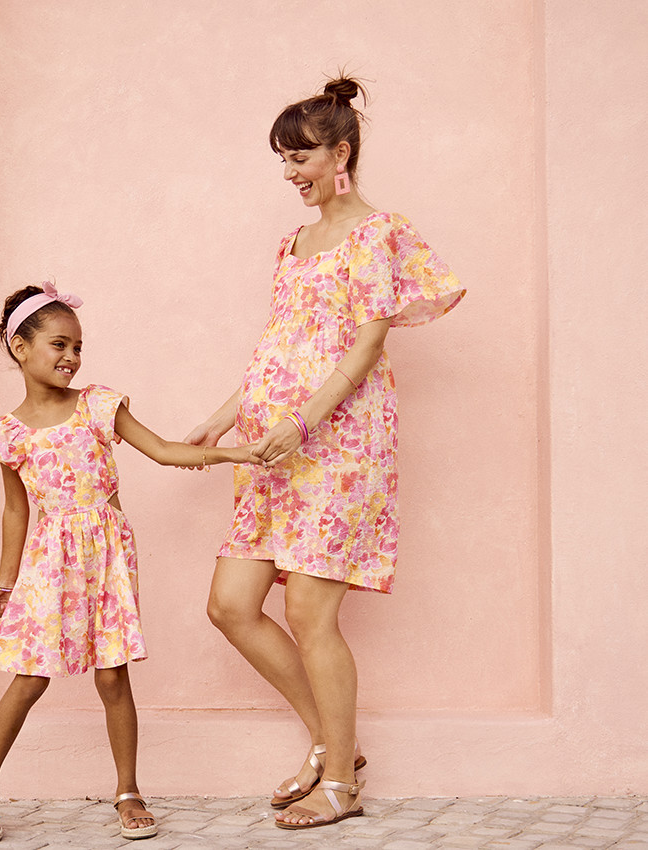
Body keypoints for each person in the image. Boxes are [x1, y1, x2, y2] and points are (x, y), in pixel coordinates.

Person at [185, 76, 465, 830]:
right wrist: (220, 421)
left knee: (310, 610)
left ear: (340, 154)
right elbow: (282, 348)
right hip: (273, 447)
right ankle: (336, 744)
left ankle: (339, 780)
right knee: (231, 604)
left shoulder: (377, 234)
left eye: (300, 157)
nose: (289, 173)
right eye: (282, 160)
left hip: (339, 443)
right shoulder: (293, 243)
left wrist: (303, 425)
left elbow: (365, 347)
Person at [0, 283, 259, 843]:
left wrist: (232, 451)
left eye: (78, 346)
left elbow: (164, 450)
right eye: (59, 344)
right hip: (50, 560)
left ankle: (128, 791)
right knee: (30, 678)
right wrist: (6, 579)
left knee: (113, 674)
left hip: (107, 555)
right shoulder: (8, 434)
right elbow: (15, 511)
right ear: (20, 347)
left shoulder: (99, 405)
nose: (72, 357)